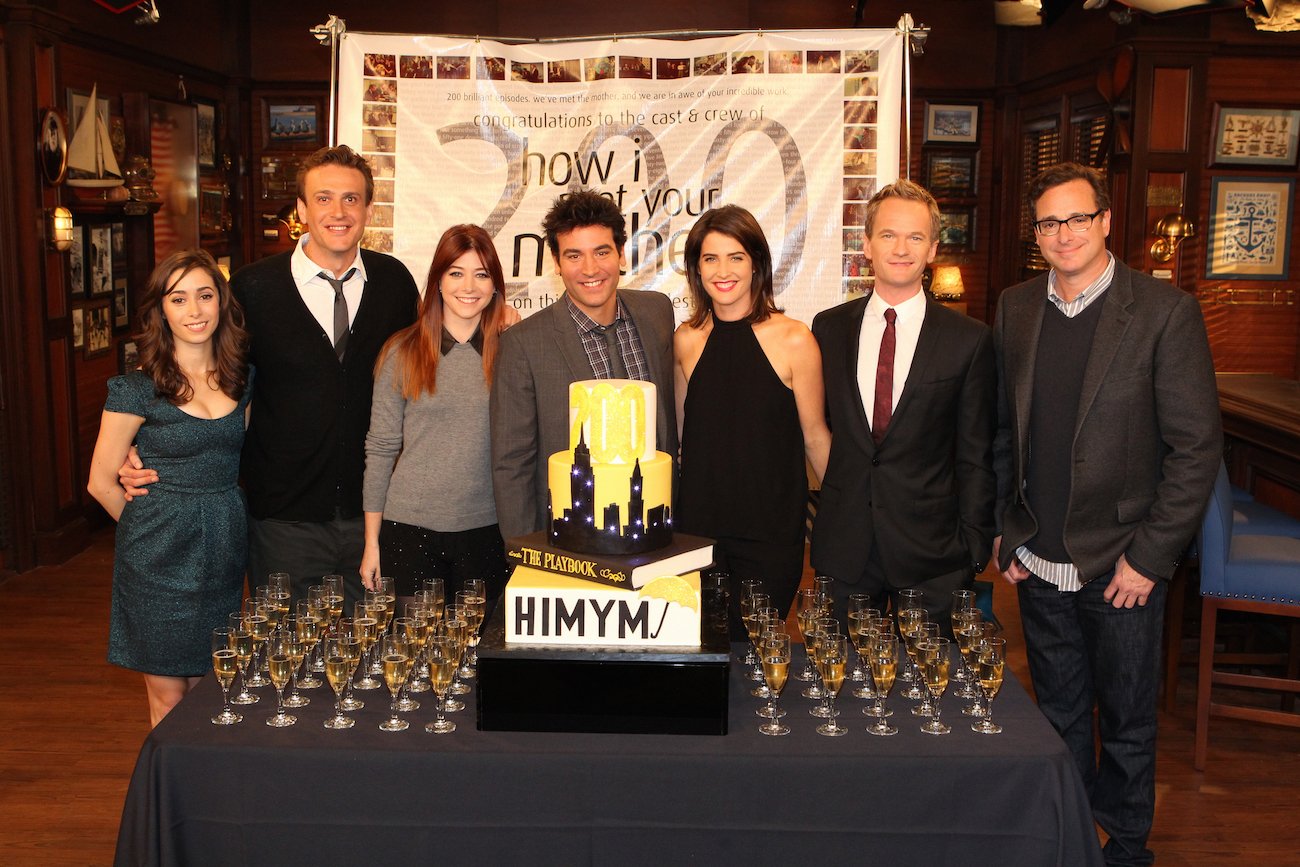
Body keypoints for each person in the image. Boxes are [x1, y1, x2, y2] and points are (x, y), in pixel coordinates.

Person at [992, 162, 1221, 866]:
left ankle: (1122, 849)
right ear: (1035, 233)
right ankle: (1065, 842)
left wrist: (1149, 558)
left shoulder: (1162, 311)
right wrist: (1007, 528)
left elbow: (1195, 447)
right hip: (1039, 557)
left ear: (1107, 222)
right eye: (1049, 222)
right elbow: (1003, 429)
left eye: (1077, 218)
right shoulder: (1015, 306)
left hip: (1122, 565)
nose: (1064, 234)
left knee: (1124, 725)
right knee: (1055, 718)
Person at [121, 145, 420, 609]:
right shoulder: (250, 289)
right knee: (288, 666)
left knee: (375, 669)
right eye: (323, 199)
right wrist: (143, 442)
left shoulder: (396, 283)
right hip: (282, 521)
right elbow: (197, 369)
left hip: (377, 515)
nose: (338, 212)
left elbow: (422, 376)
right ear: (300, 209)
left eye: (351, 199)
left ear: (368, 209)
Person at [811, 178, 996, 627]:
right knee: (843, 688)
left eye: (915, 237)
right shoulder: (828, 329)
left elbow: (976, 451)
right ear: (867, 245)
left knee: (930, 691)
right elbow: (817, 430)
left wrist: (973, 546)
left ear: (933, 249)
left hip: (934, 555)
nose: (901, 248)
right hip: (846, 550)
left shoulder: (968, 341)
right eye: (888, 235)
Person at [87, 249, 251, 727]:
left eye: (204, 296)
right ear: (162, 310)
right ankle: (171, 799)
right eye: (179, 299)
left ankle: (203, 790)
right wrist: (150, 529)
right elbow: (101, 482)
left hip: (222, 548)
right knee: (168, 697)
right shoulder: (136, 389)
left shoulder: (243, 379)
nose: (194, 311)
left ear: (221, 303)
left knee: (210, 689)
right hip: (156, 558)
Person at [674, 205, 831, 630]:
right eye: (710, 258)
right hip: (699, 535)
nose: (722, 270)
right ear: (696, 269)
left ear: (757, 263)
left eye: (736, 257)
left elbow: (816, 438)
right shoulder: (686, 341)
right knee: (705, 654)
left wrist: (843, 520)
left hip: (770, 536)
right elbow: (683, 442)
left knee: (757, 652)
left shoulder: (796, 339)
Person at [490, 188, 676, 542]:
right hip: (570, 537)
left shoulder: (657, 313)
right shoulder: (524, 344)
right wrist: (527, 554)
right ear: (557, 264)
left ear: (621, 255)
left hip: (655, 533)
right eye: (574, 255)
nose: (590, 269)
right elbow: (511, 464)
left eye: (602, 252)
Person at [361, 224, 510, 612]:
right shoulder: (402, 351)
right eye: (456, 273)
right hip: (409, 529)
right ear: (438, 281)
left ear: (495, 285)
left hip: (489, 530)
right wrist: (371, 543)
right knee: (418, 662)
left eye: (482, 274)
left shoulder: (514, 351)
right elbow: (380, 449)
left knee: (477, 663)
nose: (469, 286)